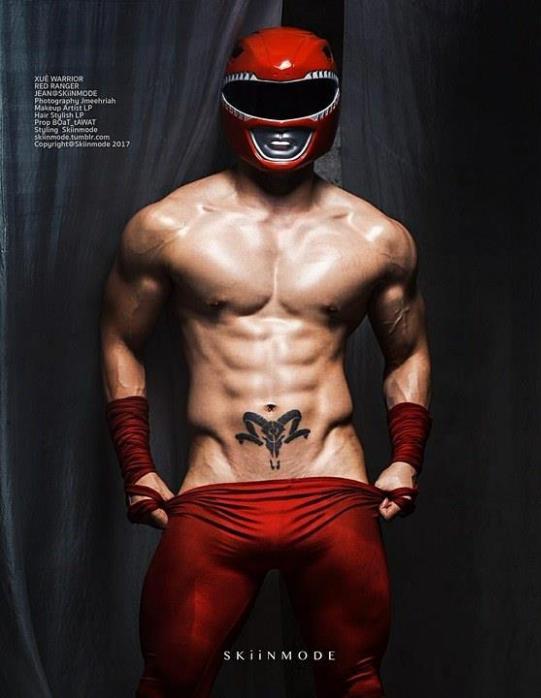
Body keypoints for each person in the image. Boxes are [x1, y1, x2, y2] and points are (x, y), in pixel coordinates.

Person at [101, 26, 432, 698]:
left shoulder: (376, 237)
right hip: (216, 489)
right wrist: (137, 467)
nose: (281, 122)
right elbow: (120, 339)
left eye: (300, 100)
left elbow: (408, 352)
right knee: (169, 682)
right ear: (232, 103)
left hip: (331, 488)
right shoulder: (169, 227)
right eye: (265, 101)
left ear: (330, 106)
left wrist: (406, 458)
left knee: (356, 683)